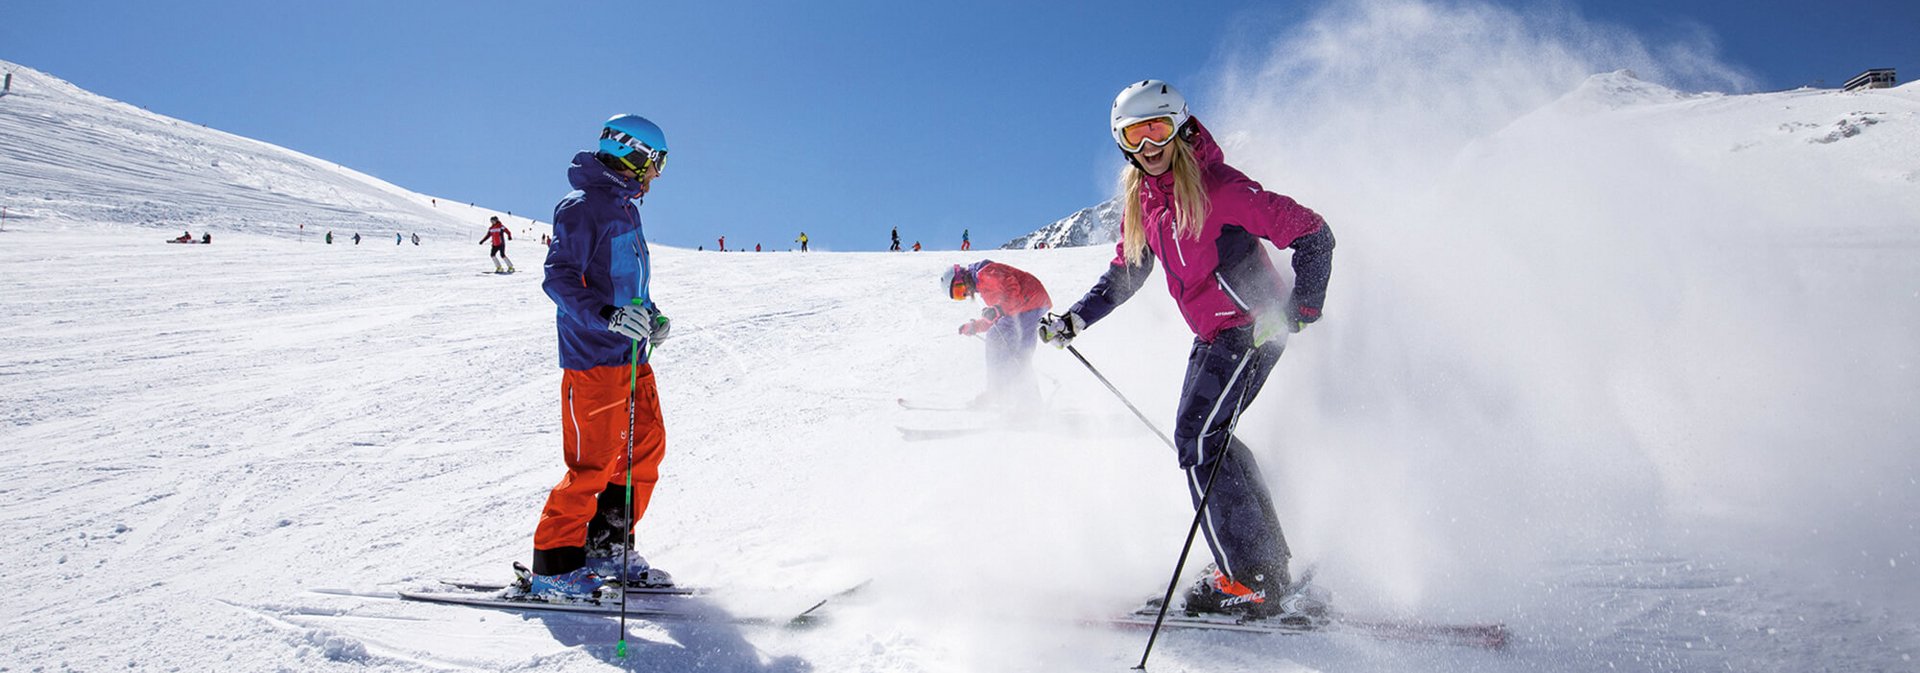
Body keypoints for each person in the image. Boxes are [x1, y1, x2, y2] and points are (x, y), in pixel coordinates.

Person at [1039, 80, 1335, 620]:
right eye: (1136, 134)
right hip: (1214, 335)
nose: (1150, 146)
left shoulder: (1220, 187)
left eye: (1158, 129)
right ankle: (1262, 564)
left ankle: (1252, 578)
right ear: (1123, 141)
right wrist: (1077, 318)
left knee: (1197, 438)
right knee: (1208, 439)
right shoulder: (1146, 202)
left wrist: (1301, 307)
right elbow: (1128, 270)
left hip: (1253, 325)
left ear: (1178, 126)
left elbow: (1313, 233)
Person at [528, 113, 677, 599]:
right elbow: (560, 279)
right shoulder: (582, 208)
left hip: (631, 355)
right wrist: (608, 317)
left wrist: (649, 314)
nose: (657, 175)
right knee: (593, 462)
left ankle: (608, 546)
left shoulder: (626, 209)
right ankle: (555, 564)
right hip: (594, 356)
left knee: (643, 450)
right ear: (633, 155)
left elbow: (625, 282)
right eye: (656, 163)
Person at [945, 261, 1051, 408]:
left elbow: (1013, 294)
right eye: (959, 296)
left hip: (1027, 304)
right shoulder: (982, 283)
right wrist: (976, 326)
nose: (964, 293)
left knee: (996, 339)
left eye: (959, 289)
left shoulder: (985, 273)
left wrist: (997, 310)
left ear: (962, 276)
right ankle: (1031, 406)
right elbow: (998, 315)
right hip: (1032, 304)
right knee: (1020, 357)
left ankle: (996, 393)